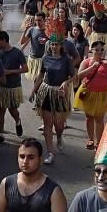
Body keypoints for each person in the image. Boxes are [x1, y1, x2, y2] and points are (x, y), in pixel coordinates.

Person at [30, 36, 75, 165]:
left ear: (61, 46)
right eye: (52, 44)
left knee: (59, 124)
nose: (54, 47)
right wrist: (33, 91)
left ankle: (59, 136)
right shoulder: (45, 58)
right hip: (46, 92)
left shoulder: (66, 60)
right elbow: (40, 75)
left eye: (56, 44)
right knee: (47, 123)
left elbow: (74, 76)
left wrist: (66, 82)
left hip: (60, 93)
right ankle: (50, 153)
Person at [74, 41, 107, 150]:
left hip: (102, 94)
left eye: (101, 50)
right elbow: (79, 76)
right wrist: (91, 67)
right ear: (91, 50)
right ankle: (90, 139)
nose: (99, 52)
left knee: (99, 119)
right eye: (96, 50)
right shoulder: (86, 62)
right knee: (89, 117)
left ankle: (99, 142)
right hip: (88, 93)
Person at [0, 31, 28, 136]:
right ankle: (0, 134)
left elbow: (25, 69)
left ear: (4, 40)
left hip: (13, 86)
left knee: (13, 110)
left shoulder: (17, 53)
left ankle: (18, 121)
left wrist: (9, 72)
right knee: (0, 111)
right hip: (0, 86)